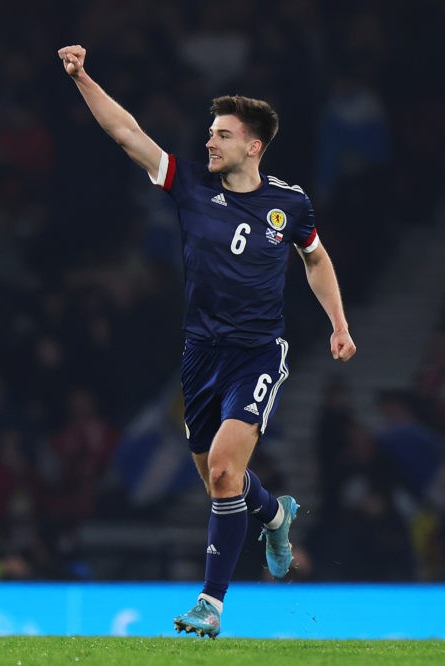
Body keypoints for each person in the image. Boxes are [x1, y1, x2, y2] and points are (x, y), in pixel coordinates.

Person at [58, 44, 357, 638]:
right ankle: (274, 515)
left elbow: (316, 260)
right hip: (199, 356)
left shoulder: (289, 203)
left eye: (221, 135)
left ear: (253, 145)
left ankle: (211, 603)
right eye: (209, 133)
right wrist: (83, 77)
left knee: (223, 472)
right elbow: (127, 133)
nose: (209, 143)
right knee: (220, 480)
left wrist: (339, 325)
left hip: (257, 353)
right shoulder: (190, 185)